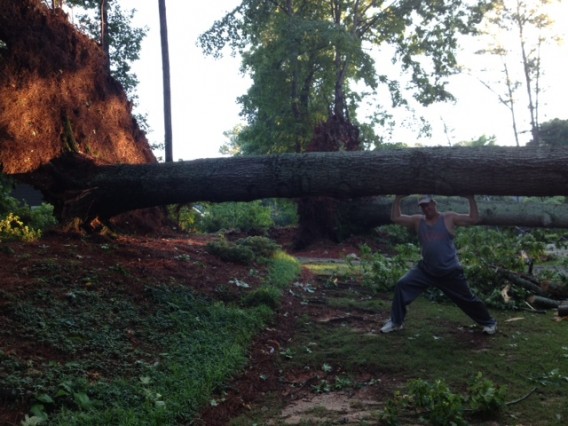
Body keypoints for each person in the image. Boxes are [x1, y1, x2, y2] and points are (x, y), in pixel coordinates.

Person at [380, 194, 497, 335]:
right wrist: (398, 198)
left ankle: (489, 323)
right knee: (402, 284)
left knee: (467, 299)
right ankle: (396, 322)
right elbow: (395, 218)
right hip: (426, 270)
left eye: (428, 204)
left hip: (449, 271)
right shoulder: (418, 220)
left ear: (434, 204)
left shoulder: (448, 217)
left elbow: (473, 219)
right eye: (423, 206)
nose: (426, 208)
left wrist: (470, 198)